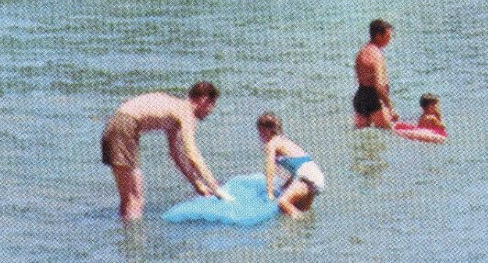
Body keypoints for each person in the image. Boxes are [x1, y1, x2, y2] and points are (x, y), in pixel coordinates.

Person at [101, 81, 232, 221]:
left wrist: (197, 184)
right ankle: (135, 241)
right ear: (204, 100)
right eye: (212, 105)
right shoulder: (186, 112)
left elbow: (176, 153)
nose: (211, 111)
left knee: (129, 198)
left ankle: (124, 235)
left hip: (117, 126)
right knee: (135, 199)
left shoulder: (175, 110)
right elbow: (192, 153)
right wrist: (215, 187)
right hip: (125, 128)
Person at [256, 112, 324, 219]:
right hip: (315, 176)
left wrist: (270, 193)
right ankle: (308, 232)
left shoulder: (272, 143)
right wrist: (285, 186)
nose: (260, 136)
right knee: (300, 209)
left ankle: (302, 224)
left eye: (260, 132)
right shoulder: (284, 141)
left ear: (266, 130)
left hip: (307, 178)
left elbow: (270, 168)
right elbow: (298, 168)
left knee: (282, 202)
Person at [353, 19, 399, 128]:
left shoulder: (363, 52)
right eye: (388, 36)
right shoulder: (376, 55)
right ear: (379, 35)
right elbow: (378, 86)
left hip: (360, 98)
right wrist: (390, 108)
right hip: (374, 99)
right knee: (388, 133)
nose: (390, 39)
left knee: (362, 138)